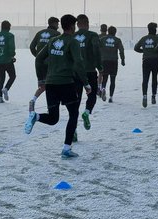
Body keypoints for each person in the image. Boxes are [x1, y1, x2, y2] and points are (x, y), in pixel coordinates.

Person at [25, 13, 91, 158]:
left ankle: (35, 116)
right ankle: (66, 148)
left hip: (51, 84)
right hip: (66, 83)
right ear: (72, 26)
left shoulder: (53, 41)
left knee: (53, 118)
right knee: (73, 114)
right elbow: (79, 64)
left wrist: (41, 79)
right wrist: (86, 83)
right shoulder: (72, 42)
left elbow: (38, 60)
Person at [74, 14, 101, 130]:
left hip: (75, 72)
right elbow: (96, 50)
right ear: (88, 24)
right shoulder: (93, 35)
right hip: (89, 70)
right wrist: (99, 66)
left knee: (75, 100)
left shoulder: (72, 36)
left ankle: (73, 129)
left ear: (77, 24)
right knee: (92, 94)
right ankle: (86, 111)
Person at [29, 17, 60, 106]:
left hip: (39, 64)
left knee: (42, 85)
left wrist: (38, 56)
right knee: (52, 85)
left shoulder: (39, 33)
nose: (58, 26)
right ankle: (51, 105)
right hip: (50, 63)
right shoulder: (57, 34)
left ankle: (33, 100)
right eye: (57, 24)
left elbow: (31, 47)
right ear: (53, 24)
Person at [134, 23, 158, 107]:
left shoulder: (144, 38)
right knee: (154, 78)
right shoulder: (157, 39)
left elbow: (136, 48)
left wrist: (144, 51)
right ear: (155, 30)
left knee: (145, 79)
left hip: (146, 60)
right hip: (155, 60)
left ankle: (144, 96)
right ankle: (153, 96)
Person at [0, 20, 17, 103]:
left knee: (1, 79)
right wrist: (12, 55)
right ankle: (6, 88)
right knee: (12, 76)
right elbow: (11, 47)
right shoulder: (10, 36)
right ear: (8, 27)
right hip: (7, 60)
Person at [99, 26, 125, 101]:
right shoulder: (117, 40)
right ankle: (111, 97)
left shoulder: (102, 39)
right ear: (115, 32)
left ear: (108, 31)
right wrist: (123, 59)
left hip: (104, 61)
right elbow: (121, 50)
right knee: (113, 79)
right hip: (113, 61)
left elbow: (97, 48)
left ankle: (103, 88)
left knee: (105, 77)